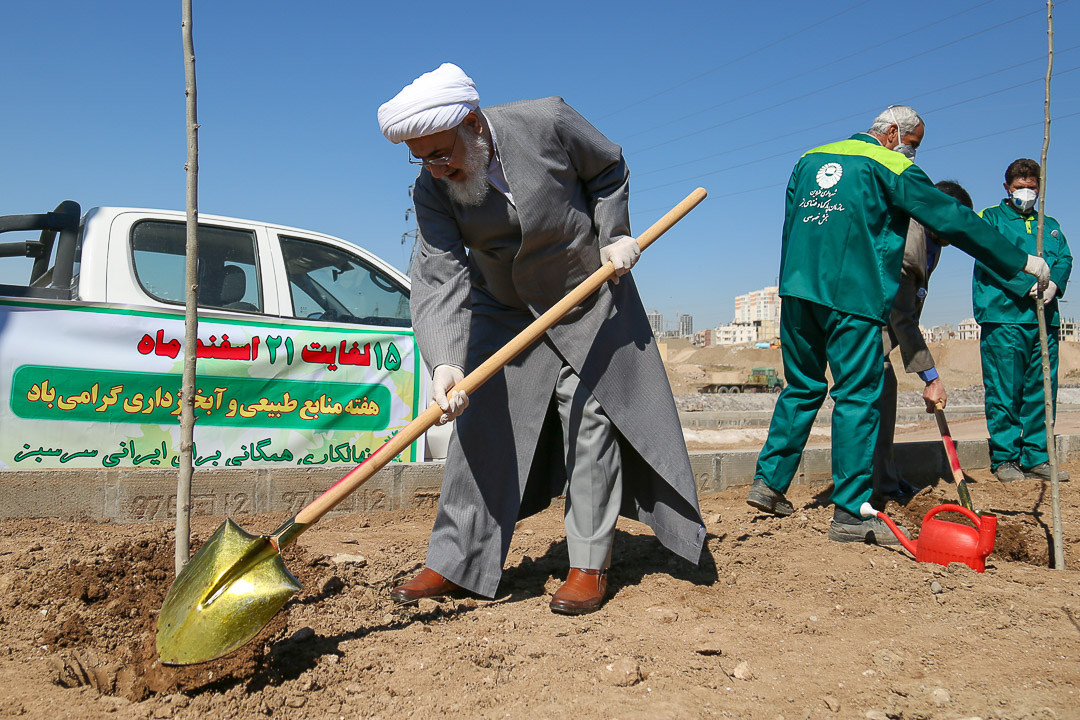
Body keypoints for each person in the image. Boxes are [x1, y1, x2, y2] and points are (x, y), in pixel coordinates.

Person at [376, 63, 705, 614]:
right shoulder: (432, 189)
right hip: (504, 310)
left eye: (440, 153)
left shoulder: (549, 121)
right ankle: (456, 560)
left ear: (474, 124)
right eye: (422, 159)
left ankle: (588, 564)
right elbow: (439, 271)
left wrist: (615, 232)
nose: (435, 169)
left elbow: (608, 169)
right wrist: (445, 364)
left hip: (587, 294)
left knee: (588, 416)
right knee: (478, 422)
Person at [745, 105, 1049, 544]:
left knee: (803, 386)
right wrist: (1019, 260)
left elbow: (793, 225)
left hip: (796, 290)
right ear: (891, 133)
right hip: (851, 294)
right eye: (913, 145)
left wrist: (794, 279)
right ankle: (851, 513)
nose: (912, 155)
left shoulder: (810, 159)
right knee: (858, 395)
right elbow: (952, 217)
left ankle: (769, 484)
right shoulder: (888, 164)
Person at [871, 180, 974, 507]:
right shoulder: (910, 241)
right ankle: (878, 486)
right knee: (878, 394)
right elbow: (902, 317)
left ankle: (886, 479)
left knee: (884, 395)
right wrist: (932, 378)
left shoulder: (934, 242)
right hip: (867, 333)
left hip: (885, 335)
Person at [974, 158, 1072, 483]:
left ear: (1040, 188)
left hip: (1043, 319)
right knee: (1004, 391)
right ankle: (1005, 458)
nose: (1026, 193)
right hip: (1005, 318)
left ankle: (1037, 457)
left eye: (1032, 188)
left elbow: (1064, 257)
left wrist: (1054, 284)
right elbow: (990, 255)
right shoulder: (992, 219)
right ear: (1007, 188)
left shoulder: (1051, 224)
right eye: (1020, 188)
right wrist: (1023, 284)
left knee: (1041, 390)